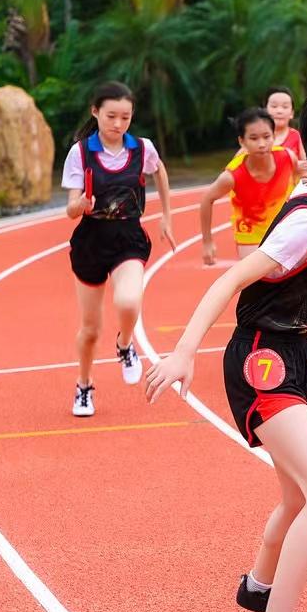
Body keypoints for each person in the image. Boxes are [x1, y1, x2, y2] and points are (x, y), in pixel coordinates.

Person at [145, 87, 307, 612]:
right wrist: (184, 351)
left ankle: (258, 587)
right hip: (262, 360)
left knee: (298, 496)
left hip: (287, 352)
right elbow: (230, 280)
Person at [62, 81, 175, 417]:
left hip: (128, 237)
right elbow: (70, 209)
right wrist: (80, 204)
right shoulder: (81, 153)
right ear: (95, 112)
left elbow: (159, 171)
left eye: (125, 117)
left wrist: (166, 216)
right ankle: (84, 385)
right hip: (91, 242)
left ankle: (125, 344)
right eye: (111, 116)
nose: (118, 123)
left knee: (128, 300)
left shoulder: (142, 148)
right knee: (90, 330)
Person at [200, 108, 299, 266]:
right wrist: (207, 242)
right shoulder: (232, 176)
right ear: (242, 141)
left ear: (274, 136)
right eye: (254, 138)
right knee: (257, 273)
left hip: (283, 227)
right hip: (250, 232)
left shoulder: (287, 157)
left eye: (266, 137)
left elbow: (300, 175)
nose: (261, 144)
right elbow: (207, 199)